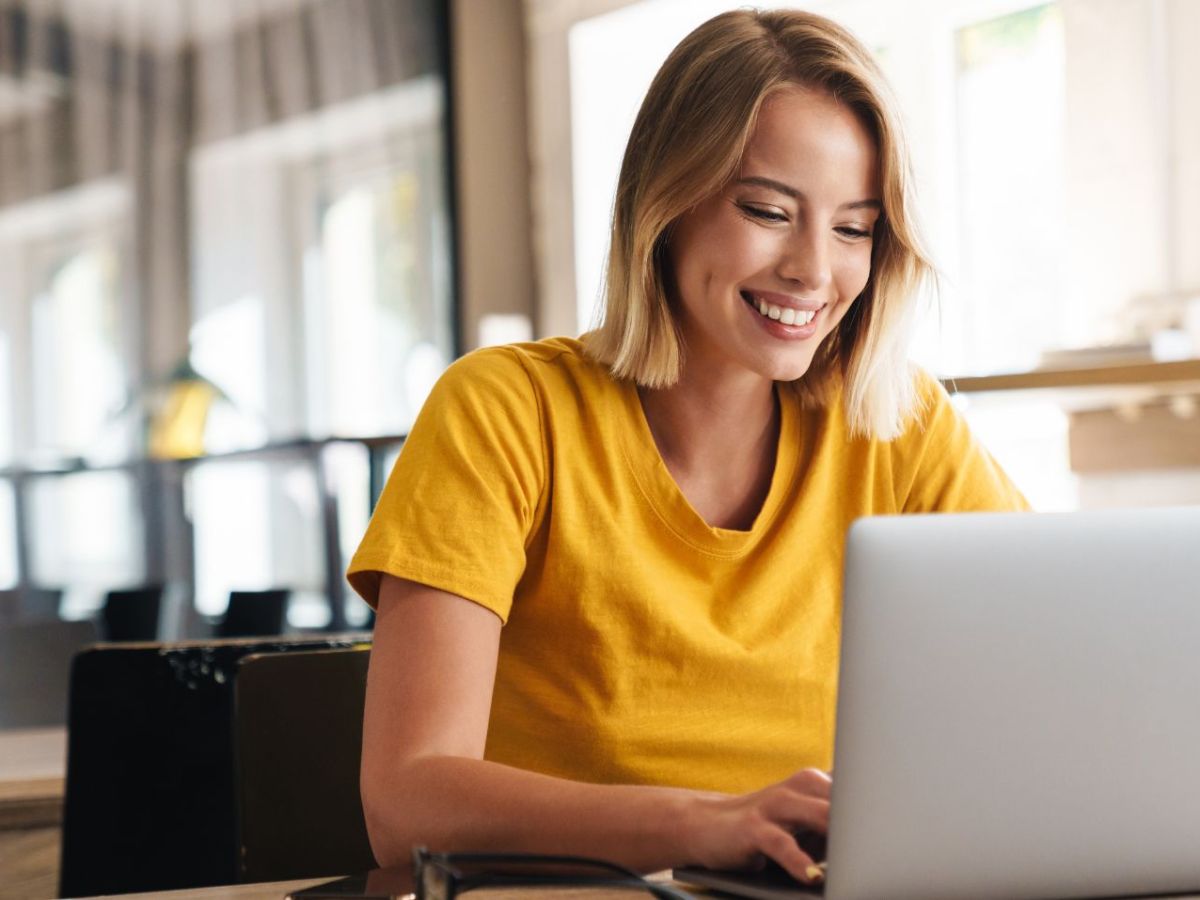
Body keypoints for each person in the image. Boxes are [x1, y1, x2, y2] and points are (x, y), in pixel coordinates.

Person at [349, 7, 1027, 888]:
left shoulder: (900, 428)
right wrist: (708, 823)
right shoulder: (505, 411)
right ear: (665, 204)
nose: (814, 271)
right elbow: (405, 808)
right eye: (768, 211)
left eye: (855, 228)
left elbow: (1048, 689)